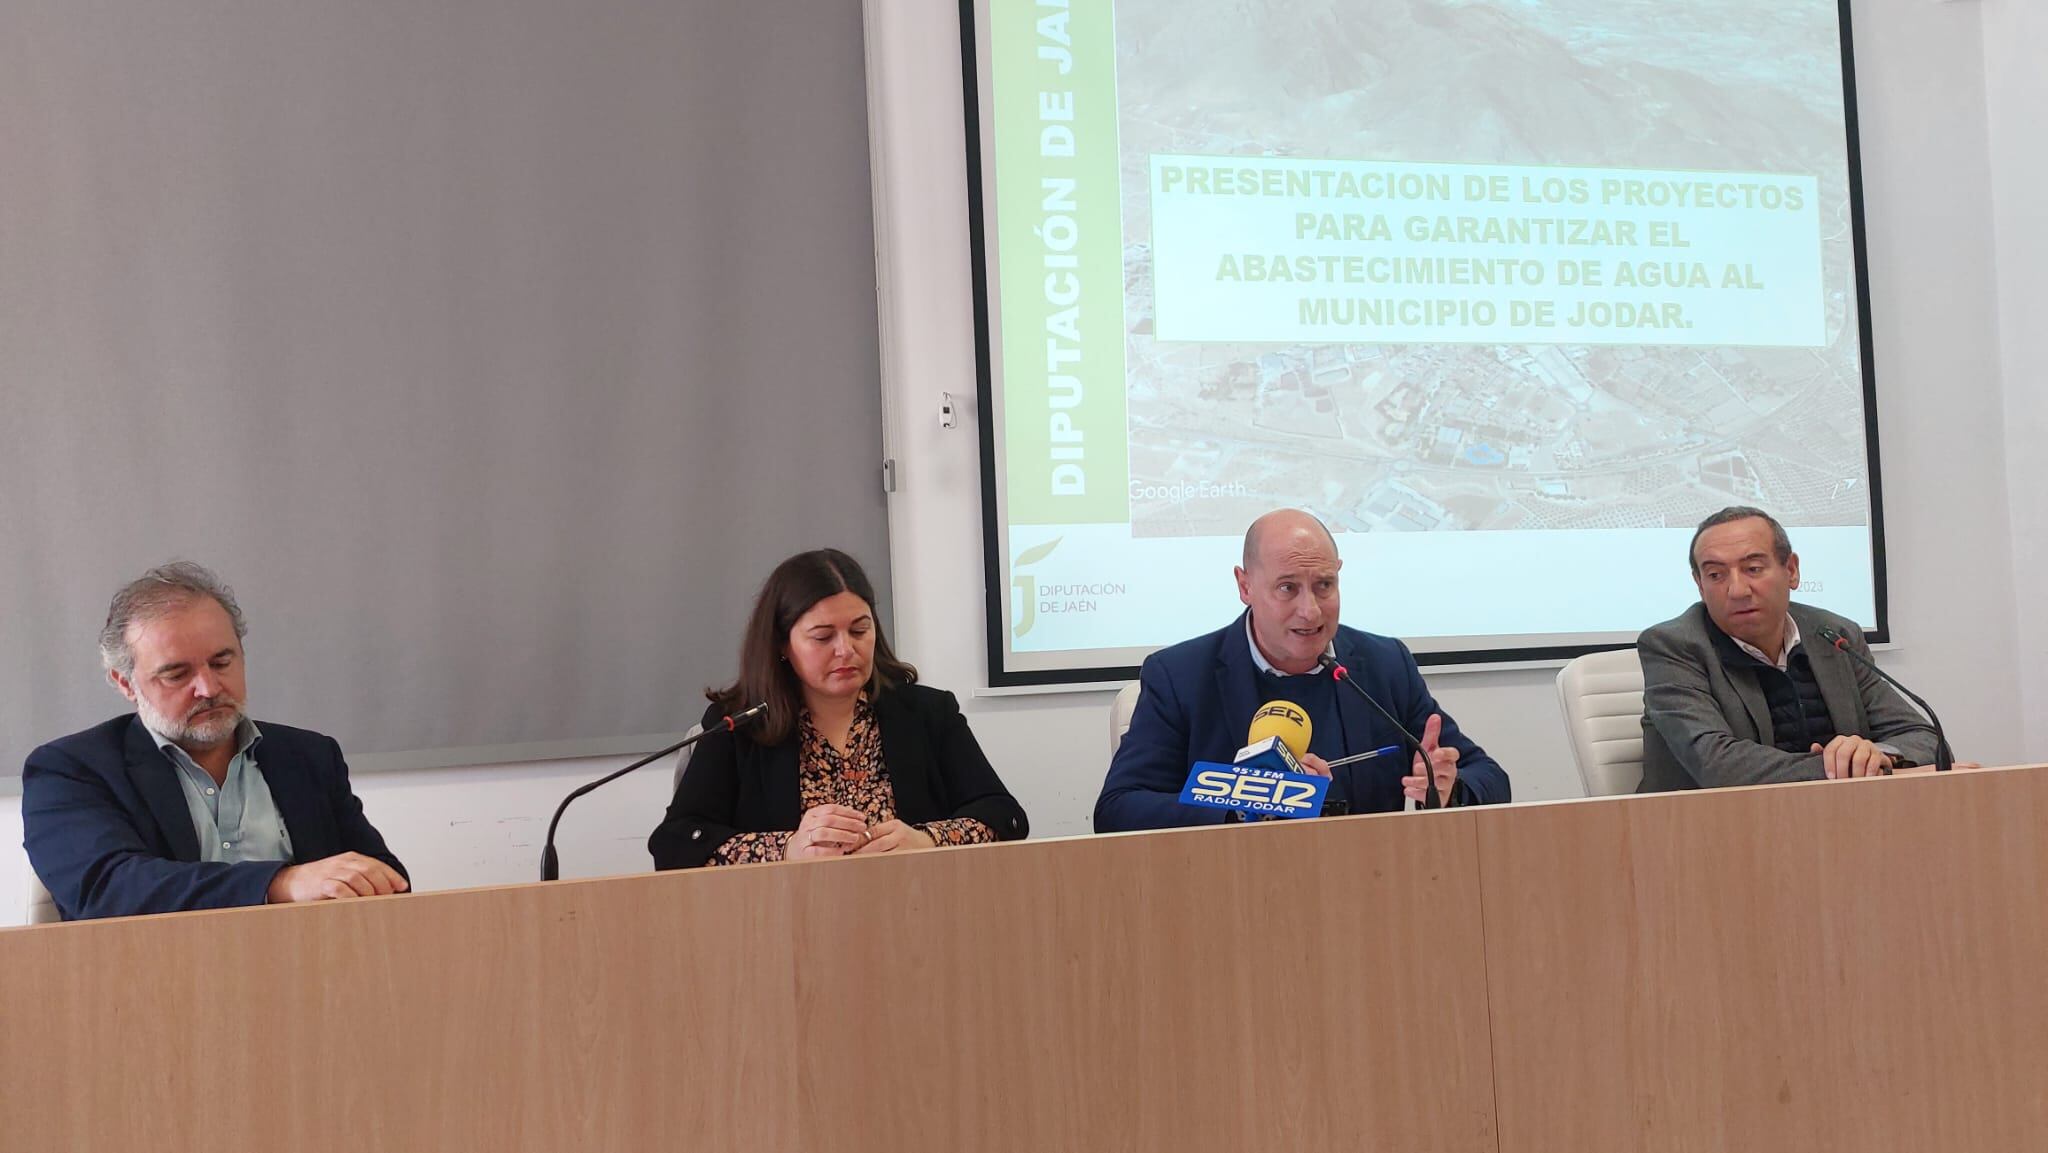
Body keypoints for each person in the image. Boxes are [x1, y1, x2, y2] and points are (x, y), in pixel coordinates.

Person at [22, 563, 407, 920]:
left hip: (314, 977)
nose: (208, 688)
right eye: (176, 674)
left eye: (222, 663)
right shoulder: (71, 769)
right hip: (149, 984)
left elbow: (384, 878)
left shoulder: (309, 756)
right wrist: (280, 884)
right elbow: (106, 890)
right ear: (126, 683)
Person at [1094, 509, 1509, 832]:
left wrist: (1449, 790)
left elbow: (1491, 778)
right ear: (1245, 586)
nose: (1310, 611)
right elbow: (1118, 809)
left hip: (1371, 892)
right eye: (1287, 588)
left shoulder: (1383, 665)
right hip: (1231, 898)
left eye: (1324, 585)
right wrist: (1249, 805)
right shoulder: (1181, 676)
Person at [650, 549, 1027, 868]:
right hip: (783, 924)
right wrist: (787, 849)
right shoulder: (738, 725)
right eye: (823, 637)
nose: (846, 650)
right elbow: (674, 843)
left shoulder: (927, 713)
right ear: (782, 644)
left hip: (916, 914)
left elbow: (1005, 817)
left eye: (860, 631)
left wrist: (928, 840)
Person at [1637, 506, 1942, 791]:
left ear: (1792, 570)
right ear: (1700, 585)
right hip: (1701, 832)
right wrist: (1859, 769)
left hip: (1829, 822)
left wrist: (1880, 754)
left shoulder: (1834, 636)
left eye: (1753, 569)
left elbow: (1925, 738)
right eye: (1715, 575)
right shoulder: (1673, 647)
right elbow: (1719, 766)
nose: (1737, 590)